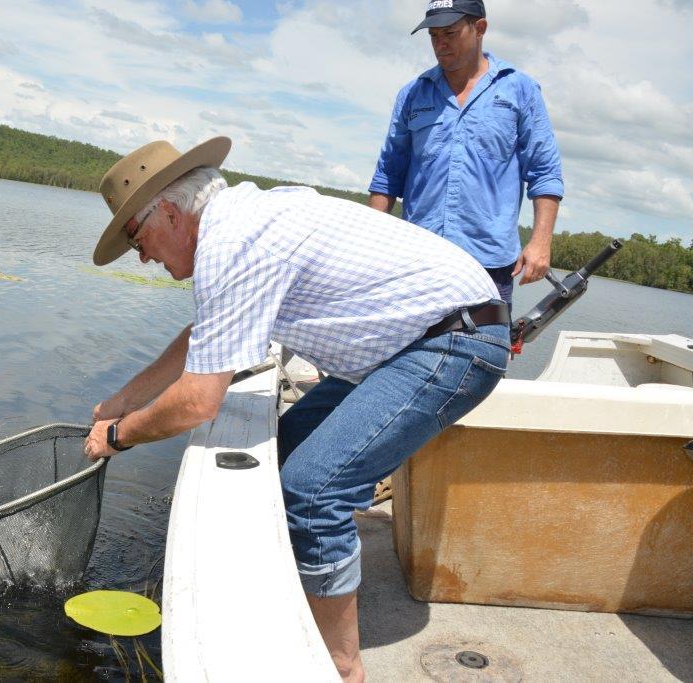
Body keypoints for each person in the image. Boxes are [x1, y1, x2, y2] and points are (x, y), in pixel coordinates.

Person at [83, 136, 511, 682]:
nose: (142, 256)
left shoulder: (234, 240)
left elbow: (197, 401)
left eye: (138, 239)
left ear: (168, 212)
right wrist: (123, 399)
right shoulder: (236, 221)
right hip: (407, 344)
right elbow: (202, 337)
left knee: (312, 489)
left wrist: (119, 435)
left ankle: (341, 666)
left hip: (454, 341)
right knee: (286, 449)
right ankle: (300, 585)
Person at [368, 0, 564, 306]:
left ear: (480, 28)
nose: (440, 44)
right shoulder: (412, 94)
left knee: (482, 352)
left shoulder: (519, 89)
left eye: (450, 33)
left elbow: (544, 172)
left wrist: (540, 242)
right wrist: (367, 238)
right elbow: (388, 172)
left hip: (489, 265)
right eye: (434, 36)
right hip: (416, 259)